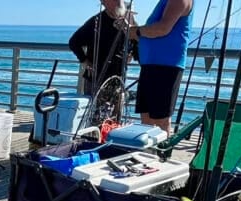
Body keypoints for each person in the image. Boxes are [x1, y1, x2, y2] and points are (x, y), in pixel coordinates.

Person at [126, 0, 193, 135]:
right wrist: (135, 32)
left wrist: (136, 31)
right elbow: (151, 33)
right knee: (146, 116)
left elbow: (162, 29)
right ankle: (148, 152)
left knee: (161, 118)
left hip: (166, 66)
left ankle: (161, 153)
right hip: (150, 65)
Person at [68, 0, 132, 97]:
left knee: (116, 111)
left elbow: (135, 43)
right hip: (96, 78)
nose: (119, 2)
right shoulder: (96, 21)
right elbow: (74, 42)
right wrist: (85, 61)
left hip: (118, 78)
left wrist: (130, 55)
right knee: (94, 110)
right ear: (104, 2)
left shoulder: (127, 23)